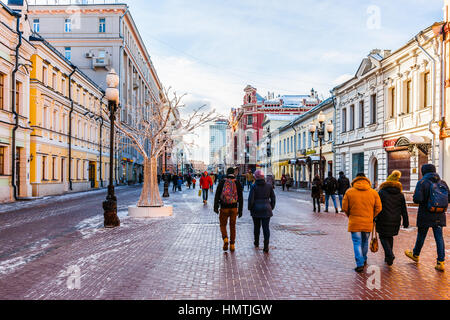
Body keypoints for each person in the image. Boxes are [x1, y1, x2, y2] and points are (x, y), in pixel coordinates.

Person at [405, 164, 450, 272]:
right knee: (439, 238)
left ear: (424, 171)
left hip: (425, 214)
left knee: (421, 235)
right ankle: (441, 262)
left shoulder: (422, 183)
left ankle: (415, 255)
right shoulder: (442, 182)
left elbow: (417, 199)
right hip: (439, 213)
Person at [342, 173, 382, 273]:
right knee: (364, 242)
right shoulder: (373, 192)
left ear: (355, 180)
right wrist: (372, 216)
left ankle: (359, 264)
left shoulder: (349, 192)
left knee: (356, 242)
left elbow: (344, 207)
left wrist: (350, 215)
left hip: (354, 222)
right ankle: (363, 259)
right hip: (368, 222)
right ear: (366, 180)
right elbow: (379, 208)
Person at [376, 170, 409, 266]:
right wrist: (405, 221)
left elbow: (377, 207)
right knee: (389, 237)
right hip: (395, 220)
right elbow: (404, 209)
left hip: (383, 219)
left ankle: (390, 255)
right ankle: (388, 258)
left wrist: (374, 218)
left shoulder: (381, 192)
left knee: (382, 236)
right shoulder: (400, 194)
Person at [214, 167, 244, 252]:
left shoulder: (222, 182)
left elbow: (217, 194)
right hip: (234, 207)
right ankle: (232, 245)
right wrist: (240, 210)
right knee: (232, 226)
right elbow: (241, 197)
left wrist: (215, 207)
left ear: (227, 173)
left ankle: (225, 239)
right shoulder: (237, 182)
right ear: (233, 173)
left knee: (223, 225)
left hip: (224, 207)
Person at [248, 170, 276, 253]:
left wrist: (250, 208)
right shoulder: (269, 186)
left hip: (256, 209)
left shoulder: (254, 186)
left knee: (257, 227)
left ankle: (256, 242)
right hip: (267, 209)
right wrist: (271, 206)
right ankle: (266, 246)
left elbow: (251, 199)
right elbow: (273, 198)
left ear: (255, 177)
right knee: (266, 228)